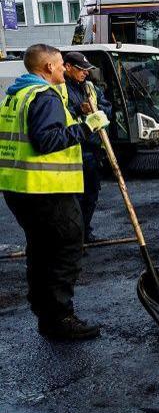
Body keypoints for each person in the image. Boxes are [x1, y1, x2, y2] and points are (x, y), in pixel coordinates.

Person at [0, 44, 110, 340]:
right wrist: (88, 126)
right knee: (65, 249)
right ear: (48, 67)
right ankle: (60, 317)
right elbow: (47, 141)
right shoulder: (44, 96)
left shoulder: (16, 95)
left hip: (19, 188)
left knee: (41, 250)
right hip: (46, 189)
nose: (64, 68)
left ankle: (45, 314)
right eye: (60, 64)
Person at [62, 51, 111, 243]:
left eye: (87, 70)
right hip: (74, 148)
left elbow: (107, 107)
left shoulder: (90, 88)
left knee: (91, 194)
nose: (85, 73)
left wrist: (98, 111)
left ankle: (85, 232)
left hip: (93, 148)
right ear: (67, 67)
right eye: (81, 70)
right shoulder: (61, 89)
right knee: (76, 198)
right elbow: (61, 115)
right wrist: (77, 109)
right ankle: (75, 238)